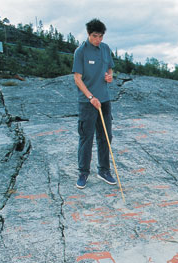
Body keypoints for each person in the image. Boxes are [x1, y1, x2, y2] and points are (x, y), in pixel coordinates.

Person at [72, 18, 116, 189]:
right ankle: (83, 172)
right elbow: (77, 78)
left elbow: (110, 68)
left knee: (106, 136)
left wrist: (110, 76)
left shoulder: (105, 49)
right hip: (87, 102)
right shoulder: (80, 51)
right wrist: (91, 97)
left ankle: (104, 170)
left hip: (104, 100)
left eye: (101, 36)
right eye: (95, 36)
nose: (98, 40)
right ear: (88, 34)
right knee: (86, 137)